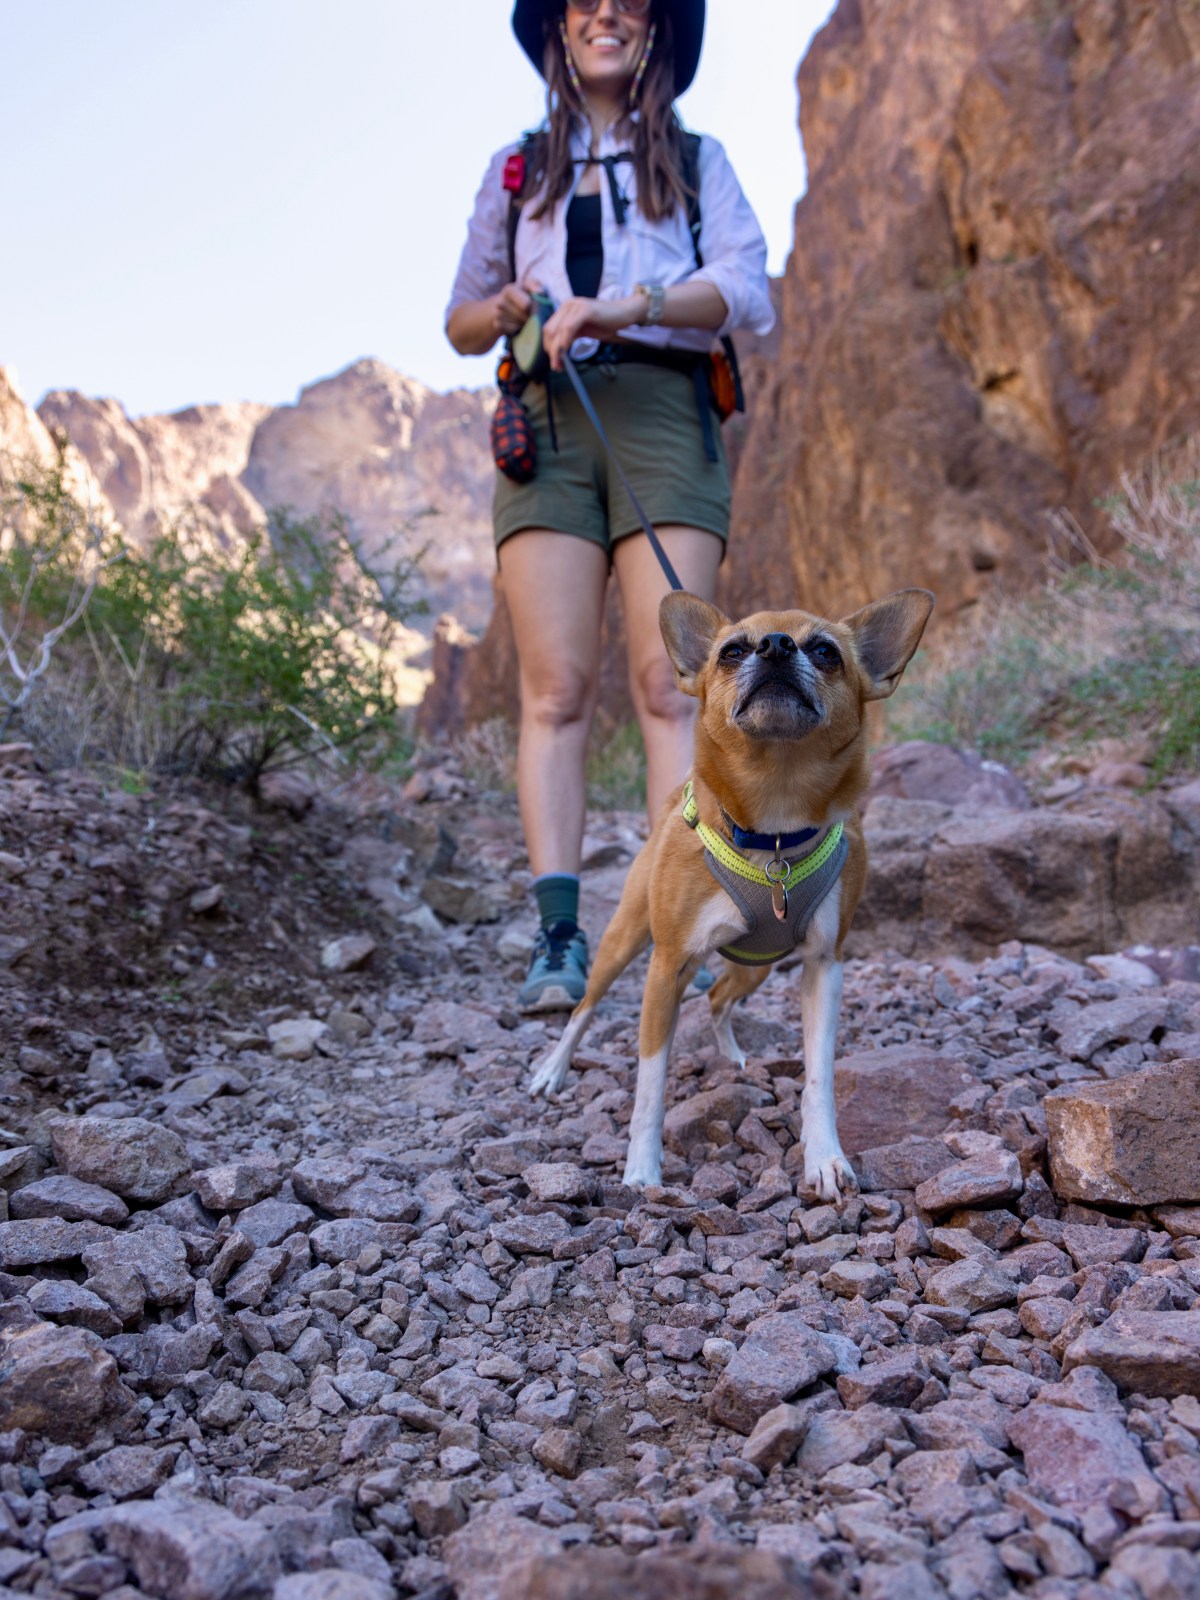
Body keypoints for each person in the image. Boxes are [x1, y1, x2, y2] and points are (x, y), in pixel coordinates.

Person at [446, 0, 774, 1009]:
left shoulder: (698, 159)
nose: (607, 13)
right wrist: (504, 310)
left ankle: (680, 920)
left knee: (671, 677)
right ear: (558, 30)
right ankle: (558, 938)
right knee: (555, 688)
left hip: (663, 409)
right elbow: (458, 320)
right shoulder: (515, 169)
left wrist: (629, 305)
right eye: (585, 1)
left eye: (631, 2)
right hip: (545, 419)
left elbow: (745, 291)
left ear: (655, 34)